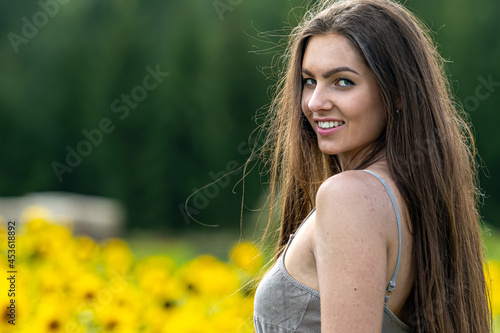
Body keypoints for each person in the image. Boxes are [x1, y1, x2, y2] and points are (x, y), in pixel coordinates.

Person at [252, 0, 492, 332]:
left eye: (343, 82)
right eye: (309, 80)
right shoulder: (413, 195)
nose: (314, 102)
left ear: (397, 94)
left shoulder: (349, 197)